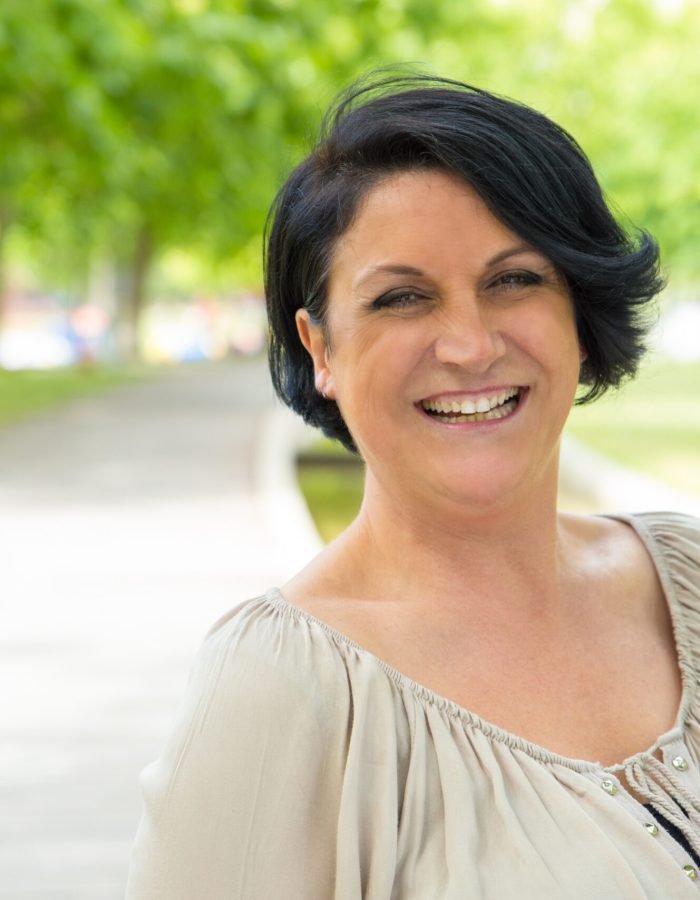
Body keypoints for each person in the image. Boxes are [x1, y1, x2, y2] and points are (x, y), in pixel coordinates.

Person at [126, 73, 700, 898]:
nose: (469, 345)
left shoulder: (686, 575)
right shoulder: (280, 689)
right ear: (321, 350)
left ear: (580, 312)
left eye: (514, 280)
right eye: (402, 298)